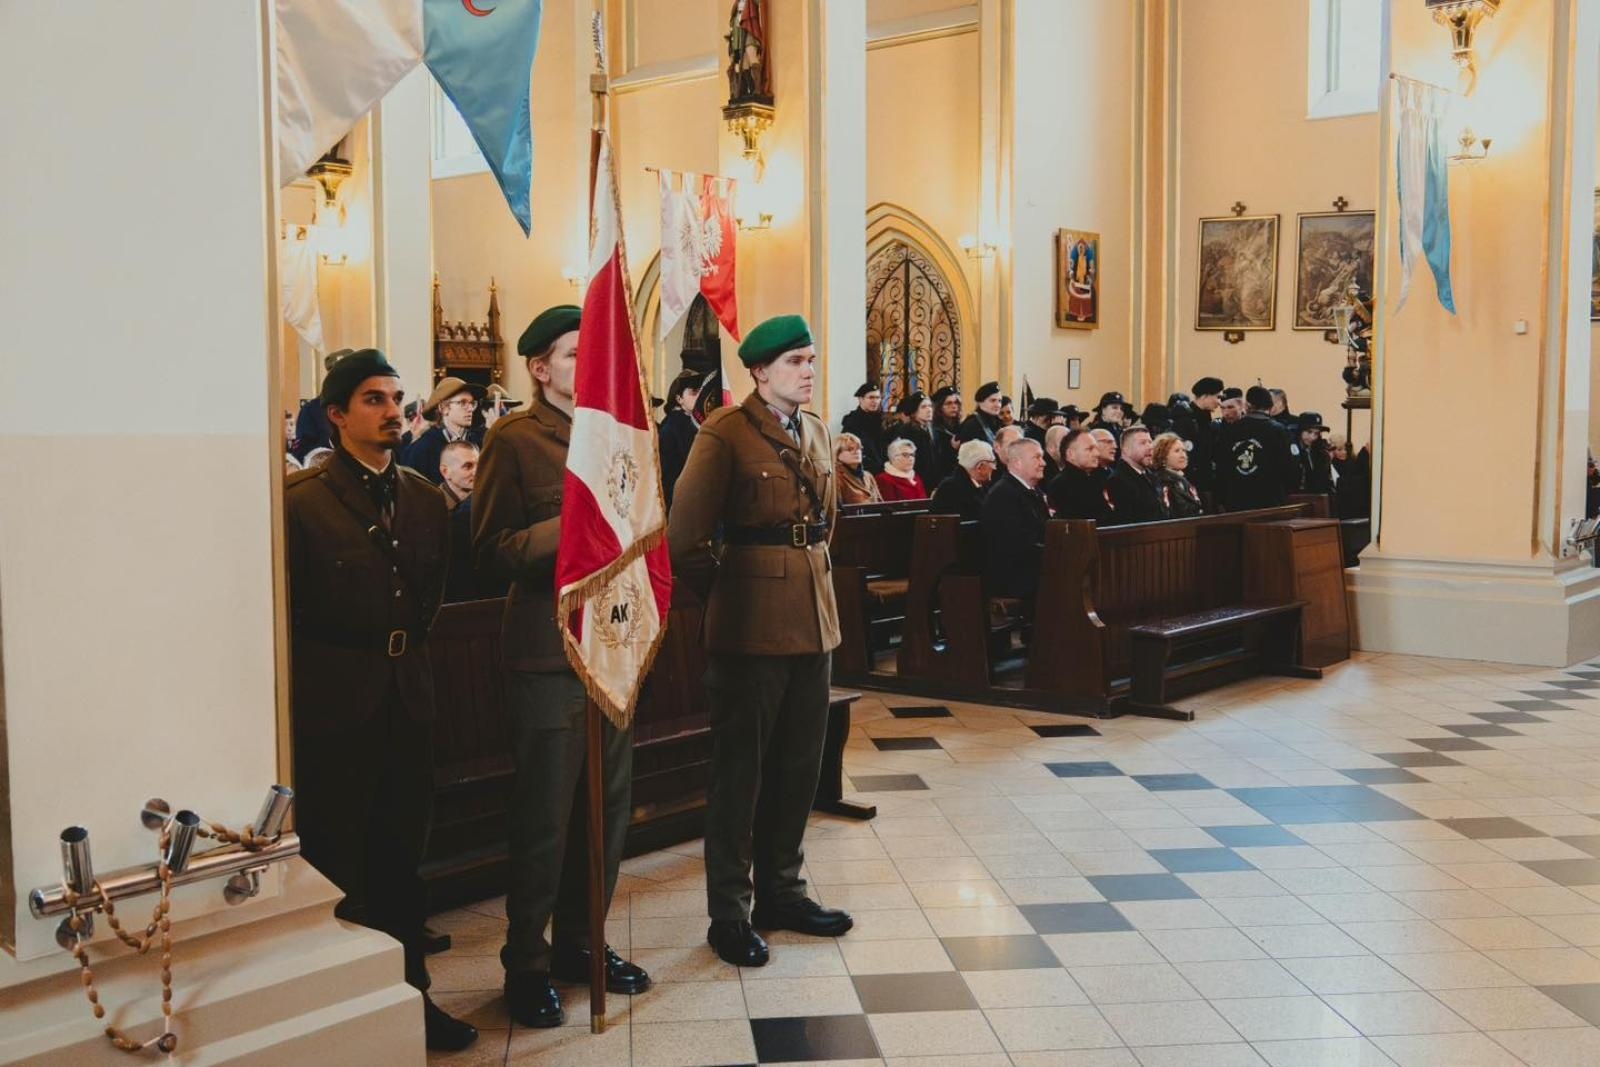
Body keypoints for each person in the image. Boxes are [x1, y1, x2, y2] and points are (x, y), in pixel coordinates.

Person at [283, 350, 477, 1053]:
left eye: (397, 398)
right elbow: (292, 616)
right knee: (336, 862)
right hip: (337, 704)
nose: (393, 410)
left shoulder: (426, 499)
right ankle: (340, 1009)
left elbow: (430, 599)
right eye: (373, 399)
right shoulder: (302, 503)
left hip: (408, 699)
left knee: (402, 861)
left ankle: (411, 999)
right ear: (336, 415)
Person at [473, 305, 651, 1028]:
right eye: (577, 354)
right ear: (541, 368)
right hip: (548, 652)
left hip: (612, 644)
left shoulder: (617, 435)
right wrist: (572, 523)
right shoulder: (515, 440)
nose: (590, 364)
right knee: (546, 817)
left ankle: (586, 942)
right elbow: (491, 548)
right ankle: (527, 962)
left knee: (605, 814)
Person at [666, 313, 854, 969]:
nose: (808, 370)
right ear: (760, 370)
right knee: (739, 777)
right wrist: (732, 593)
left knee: (799, 769)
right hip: (749, 626)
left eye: (811, 358)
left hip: (814, 619)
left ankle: (783, 890)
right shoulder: (725, 432)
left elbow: (827, 523)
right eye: (795, 360)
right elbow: (684, 538)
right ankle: (730, 912)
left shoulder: (817, 430)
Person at [980, 437, 1049, 610]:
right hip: (1013, 576)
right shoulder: (1003, 495)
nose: (1044, 463)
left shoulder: (1032, 491)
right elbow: (1015, 545)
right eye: (1037, 457)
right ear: (1018, 463)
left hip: (1033, 566)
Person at [1213, 385, 1297, 511]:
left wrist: (1221, 498)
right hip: (1269, 500)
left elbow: (1222, 466)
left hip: (1237, 500)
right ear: (1270, 406)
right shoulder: (1278, 430)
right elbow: (1288, 467)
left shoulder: (1230, 430)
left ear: (1247, 406)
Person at [404, 377, 485, 485]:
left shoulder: (479, 442)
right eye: (462, 402)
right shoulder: (423, 447)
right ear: (444, 408)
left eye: (472, 403)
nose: (470, 409)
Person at [1046, 428, 1115, 524]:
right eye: (1089, 449)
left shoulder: (1096, 479)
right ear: (1071, 454)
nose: (1097, 454)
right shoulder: (1061, 485)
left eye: (1096, 448)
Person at [1105, 424, 1167, 525]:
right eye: (1143, 443)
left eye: (1150, 442)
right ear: (1125, 449)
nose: (1150, 447)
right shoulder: (1117, 481)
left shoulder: (1152, 476)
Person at [658, 369, 703, 508]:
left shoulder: (678, 421)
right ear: (679, 399)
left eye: (700, 392)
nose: (699, 396)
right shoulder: (678, 424)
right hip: (683, 501)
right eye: (693, 392)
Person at [885, 391, 940, 489]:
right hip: (916, 481)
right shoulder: (907, 432)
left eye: (930, 406)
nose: (929, 410)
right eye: (923, 407)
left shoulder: (933, 431)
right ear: (914, 412)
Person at [929, 439, 996, 520]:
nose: (994, 467)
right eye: (992, 462)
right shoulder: (951, 489)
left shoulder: (983, 485)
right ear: (980, 467)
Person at [1151, 432, 1203, 519]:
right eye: (1177, 451)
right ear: (1163, 456)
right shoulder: (1162, 482)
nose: (1183, 455)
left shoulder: (1182, 480)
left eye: (1184, 451)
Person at [840, 382, 886, 476]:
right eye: (871, 397)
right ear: (861, 399)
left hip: (883, 471)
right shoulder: (852, 422)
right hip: (863, 472)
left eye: (878, 398)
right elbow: (850, 450)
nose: (875, 401)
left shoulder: (880, 420)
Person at [834, 432, 882, 504]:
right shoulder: (836, 477)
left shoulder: (868, 475)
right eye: (850, 449)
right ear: (837, 454)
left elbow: (881, 504)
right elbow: (837, 510)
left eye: (858, 448)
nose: (856, 452)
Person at [930, 386, 963, 483]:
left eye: (956, 403)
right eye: (948, 403)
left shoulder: (960, 427)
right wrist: (952, 448)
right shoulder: (935, 430)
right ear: (940, 407)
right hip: (942, 478)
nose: (954, 406)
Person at [1296, 412, 1334, 493]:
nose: (1312, 437)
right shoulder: (1293, 451)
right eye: (1309, 432)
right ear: (1300, 431)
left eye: (1316, 433)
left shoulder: (1321, 453)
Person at [958, 381, 1003, 445]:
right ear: (980, 402)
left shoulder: (998, 422)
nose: (998, 405)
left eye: (999, 401)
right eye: (993, 400)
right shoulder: (972, 425)